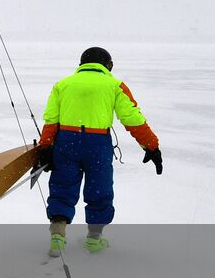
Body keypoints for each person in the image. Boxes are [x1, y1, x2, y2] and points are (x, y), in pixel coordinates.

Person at [34, 46, 162, 256]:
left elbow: (51, 120)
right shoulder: (114, 85)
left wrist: (46, 146)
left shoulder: (63, 85)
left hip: (66, 142)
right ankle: (94, 239)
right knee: (99, 188)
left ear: (82, 64)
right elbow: (133, 119)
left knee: (62, 185)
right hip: (97, 143)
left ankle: (57, 235)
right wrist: (151, 146)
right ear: (107, 65)